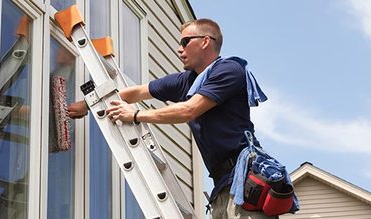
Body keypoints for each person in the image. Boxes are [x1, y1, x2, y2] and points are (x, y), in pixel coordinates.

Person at [68, 18, 272, 219]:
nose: (179, 49)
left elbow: (189, 110)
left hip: (244, 180)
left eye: (185, 42)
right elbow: (137, 92)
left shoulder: (229, 70)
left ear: (205, 41)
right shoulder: (188, 80)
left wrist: (136, 115)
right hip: (222, 185)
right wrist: (87, 105)